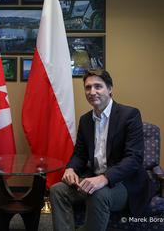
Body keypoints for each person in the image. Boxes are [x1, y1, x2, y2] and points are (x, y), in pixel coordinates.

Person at [50, 69, 154, 231]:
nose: (92, 92)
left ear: (110, 89)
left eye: (98, 86)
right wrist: (71, 168)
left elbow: (134, 158)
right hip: (93, 178)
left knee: (97, 194)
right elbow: (80, 154)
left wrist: (104, 178)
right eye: (88, 87)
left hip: (124, 183)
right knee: (58, 191)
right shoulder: (85, 120)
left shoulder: (130, 115)